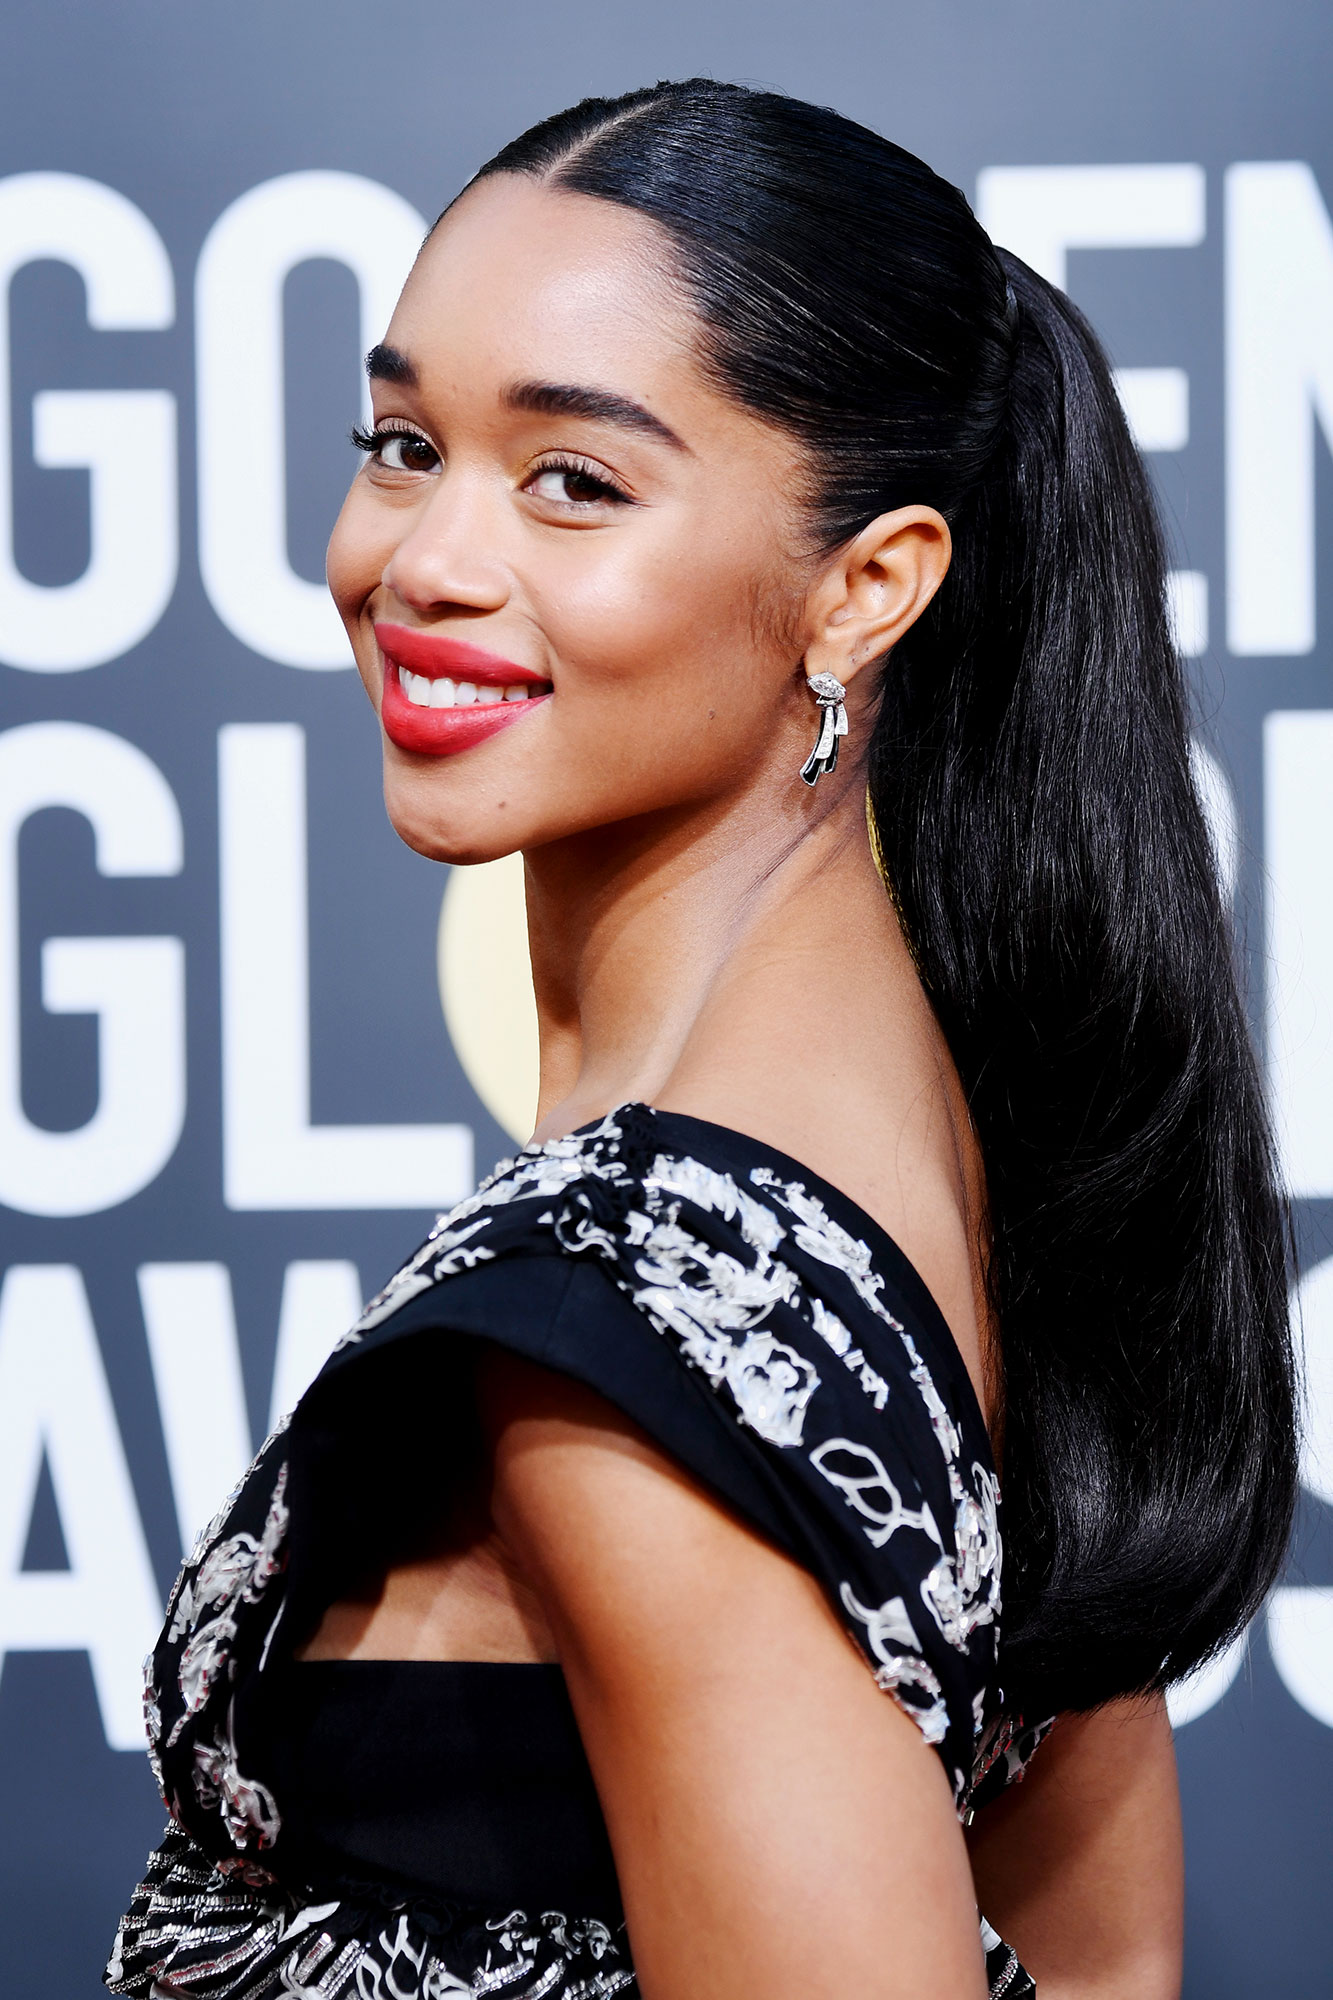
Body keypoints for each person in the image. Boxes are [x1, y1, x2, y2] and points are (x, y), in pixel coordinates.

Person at [106, 79, 1297, 2000]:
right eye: (404, 445)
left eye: (574, 480)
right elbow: (1102, 1970)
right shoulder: (967, 1159)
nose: (423, 560)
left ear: (865, 588)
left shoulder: (627, 1343)